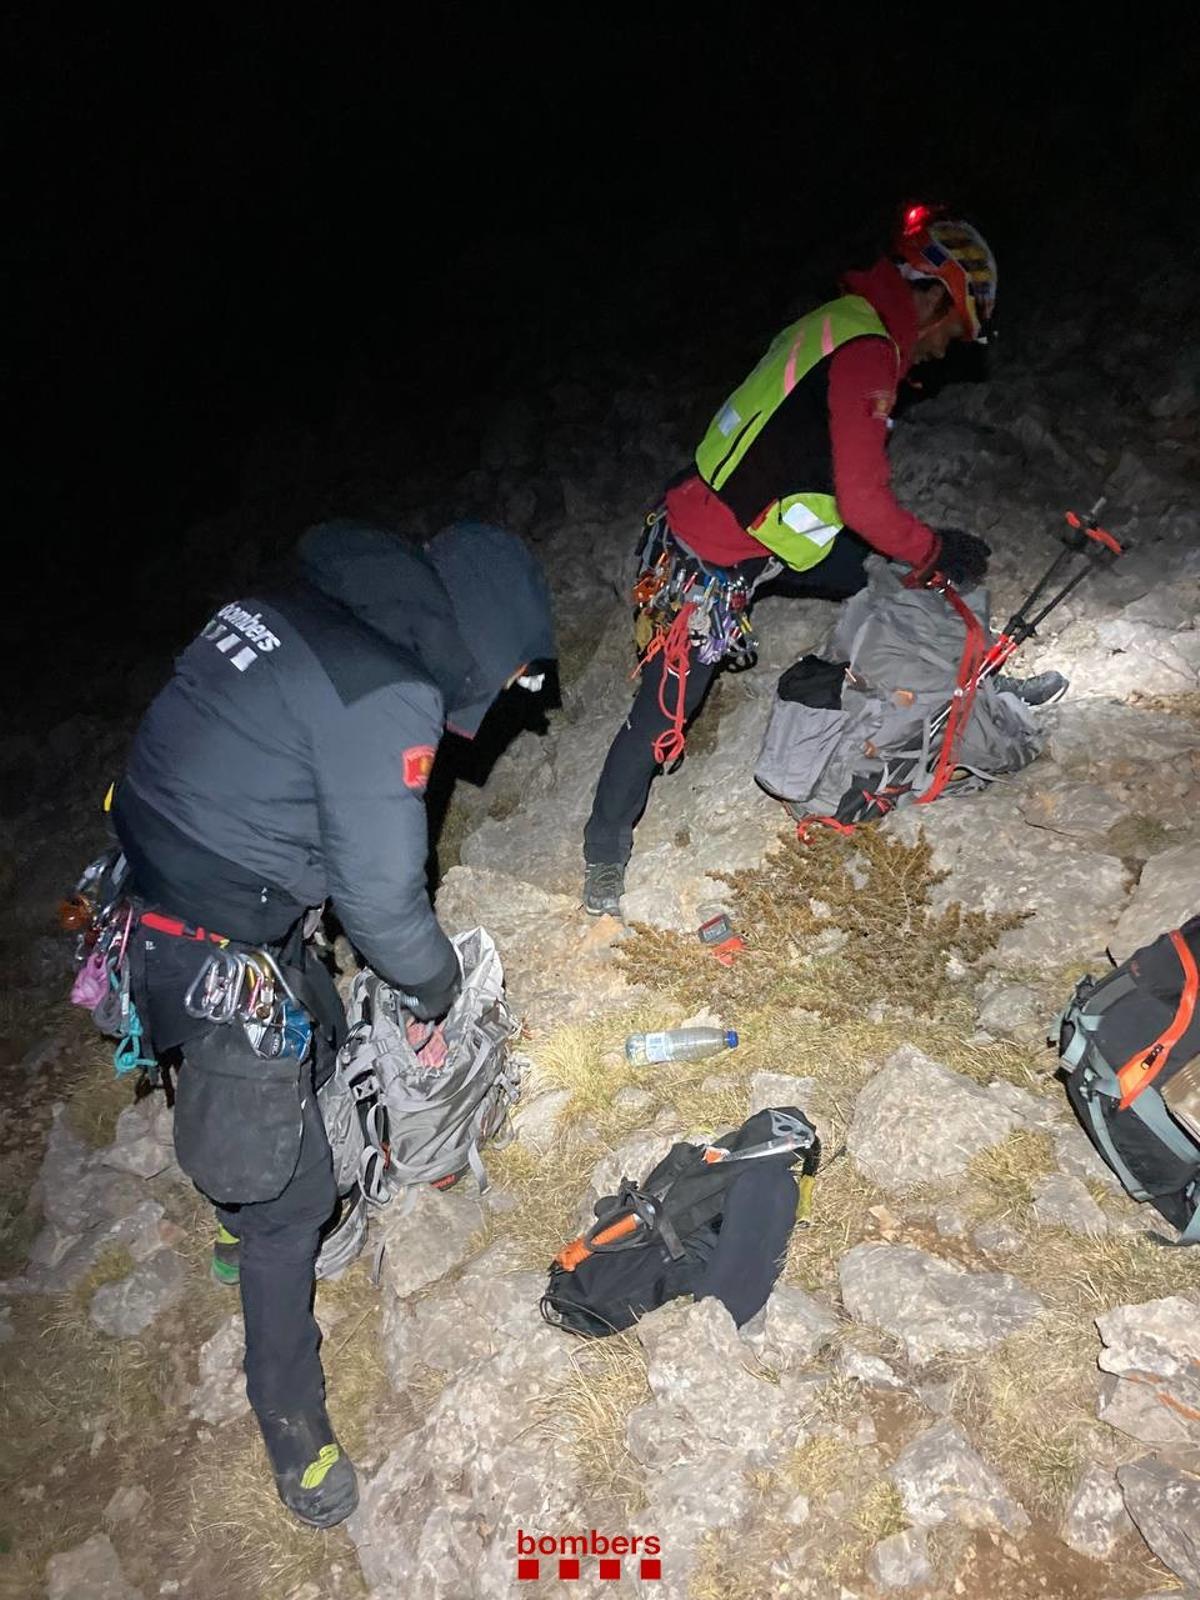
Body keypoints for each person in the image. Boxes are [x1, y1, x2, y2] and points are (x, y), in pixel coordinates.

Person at [112, 519, 555, 1527]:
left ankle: (237, 1193)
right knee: (290, 1199)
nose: (511, 698)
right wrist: (436, 993)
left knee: (311, 1015)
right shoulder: (385, 693)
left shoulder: (304, 611)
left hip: (162, 870)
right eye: (516, 676)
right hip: (207, 932)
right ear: (486, 635)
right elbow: (385, 909)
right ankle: (290, 1421)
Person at [581, 210, 1062, 918]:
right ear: (934, 298)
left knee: (900, 576)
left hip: (761, 528)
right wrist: (931, 546)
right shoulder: (867, 350)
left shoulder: (841, 320)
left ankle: (974, 683)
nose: (944, 350)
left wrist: (917, 553)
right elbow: (864, 503)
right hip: (713, 557)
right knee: (661, 716)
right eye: (954, 331)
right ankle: (603, 855)